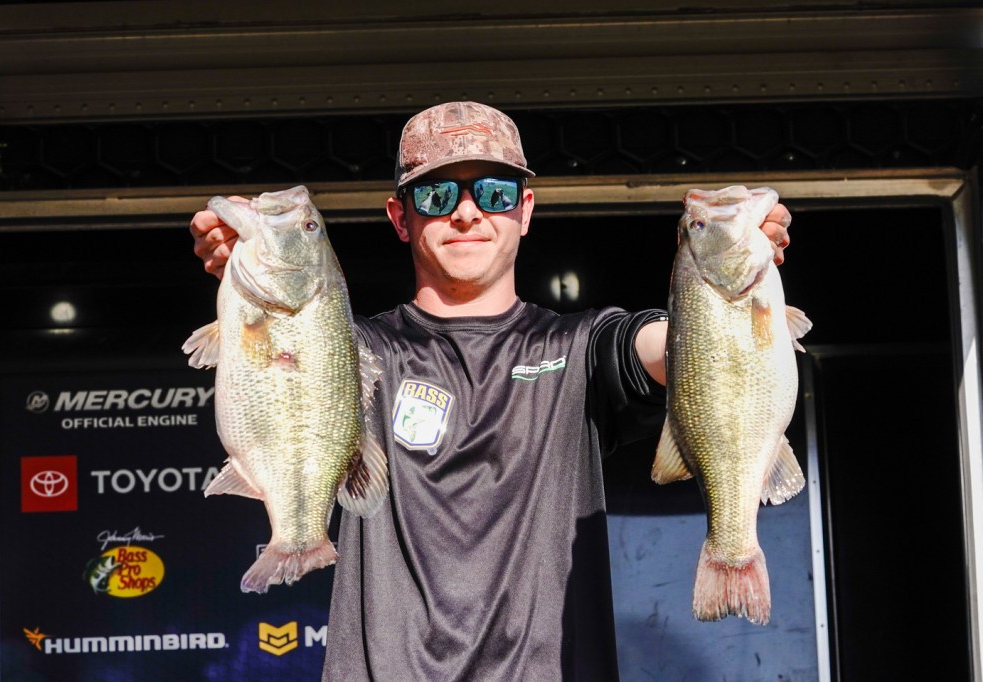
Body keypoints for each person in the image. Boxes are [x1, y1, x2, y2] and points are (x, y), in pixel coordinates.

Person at [190, 101, 792, 680]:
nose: (467, 212)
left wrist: (727, 277)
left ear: (524, 211)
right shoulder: (350, 352)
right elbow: (287, 346)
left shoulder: (581, 344)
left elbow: (672, 350)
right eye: (436, 194)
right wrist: (244, 260)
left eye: (495, 193)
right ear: (400, 217)